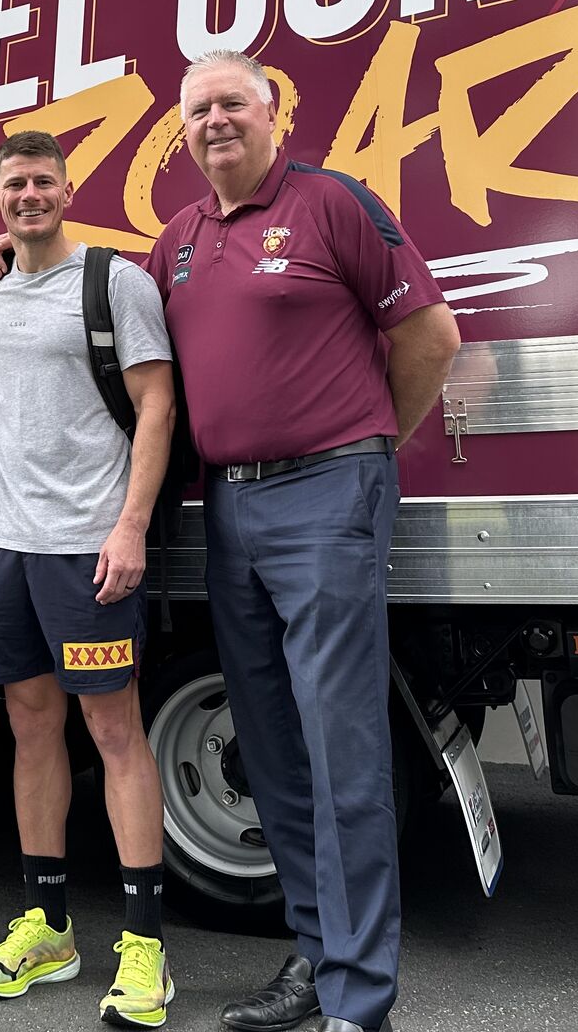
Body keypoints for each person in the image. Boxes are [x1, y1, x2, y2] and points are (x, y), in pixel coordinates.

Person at [143, 51, 461, 1032]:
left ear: (273, 112)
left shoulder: (331, 204)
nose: (213, 121)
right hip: (230, 511)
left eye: (230, 103)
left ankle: (359, 1003)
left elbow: (430, 339)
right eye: (196, 111)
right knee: (272, 752)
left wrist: (365, 448)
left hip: (328, 496)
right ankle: (318, 961)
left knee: (342, 753)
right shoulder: (177, 240)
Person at [0, 130, 179, 1028]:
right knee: (30, 728)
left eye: (43, 181)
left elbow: (157, 401)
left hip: (87, 545)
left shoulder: (114, 282)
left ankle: (146, 945)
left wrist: (131, 526)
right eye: (14, 184)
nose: (29, 195)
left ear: (68, 188)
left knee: (114, 732)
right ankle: (49, 929)